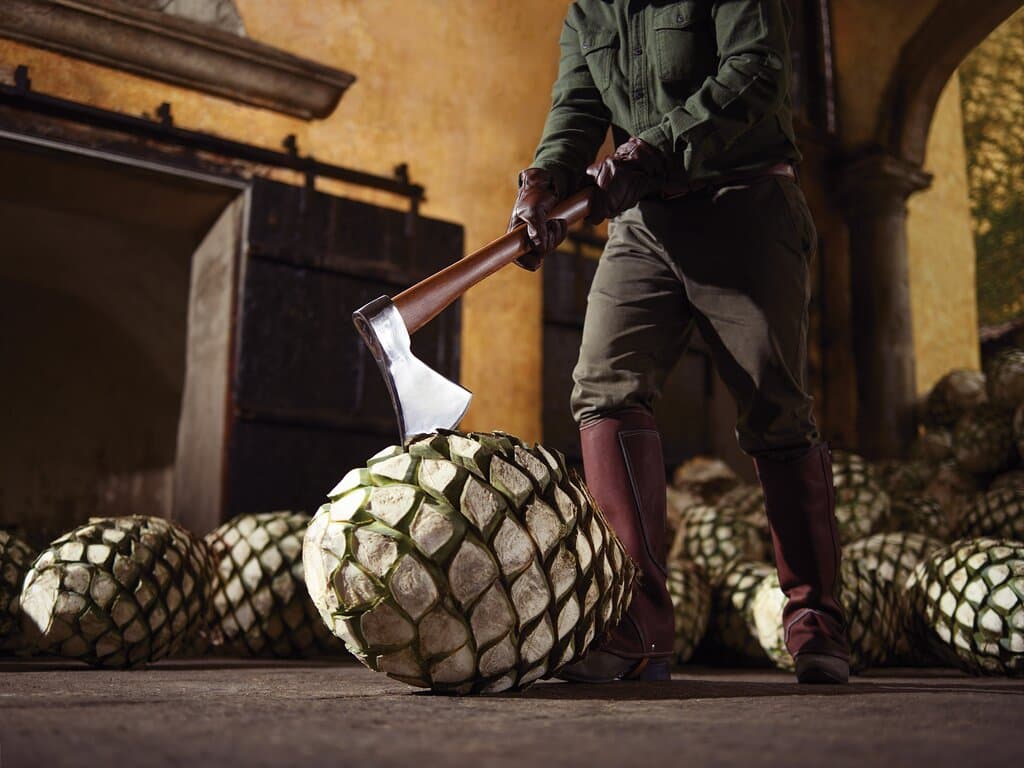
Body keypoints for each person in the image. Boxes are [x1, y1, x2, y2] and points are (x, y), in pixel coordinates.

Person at [508, 0, 850, 684]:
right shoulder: (588, 13)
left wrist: (654, 148)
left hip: (745, 204)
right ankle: (638, 623)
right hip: (646, 222)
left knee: (773, 409)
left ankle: (816, 621)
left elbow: (755, 71)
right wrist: (544, 182)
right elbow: (577, 107)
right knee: (603, 387)